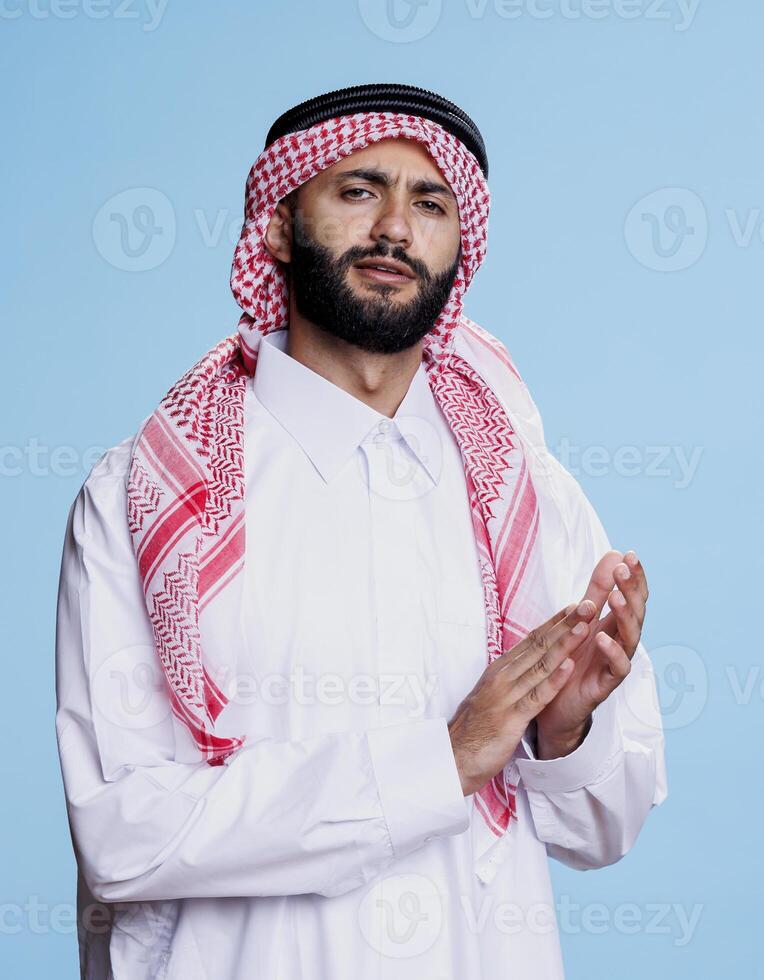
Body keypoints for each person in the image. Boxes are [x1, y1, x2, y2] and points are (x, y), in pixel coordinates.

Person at [53, 82, 667, 978]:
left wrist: (562, 734)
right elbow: (123, 836)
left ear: (462, 242)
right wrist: (441, 762)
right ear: (276, 224)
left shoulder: (522, 493)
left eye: (430, 202)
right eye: (356, 190)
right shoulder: (145, 496)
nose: (394, 228)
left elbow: (605, 831)